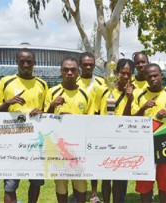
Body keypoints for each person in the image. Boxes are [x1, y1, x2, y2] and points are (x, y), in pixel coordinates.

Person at [0, 48, 48, 203]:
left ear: (34, 63)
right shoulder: (5, 82)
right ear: (16, 61)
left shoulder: (42, 84)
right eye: (22, 61)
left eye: (29, 61)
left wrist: (41, 112)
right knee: (10, 184)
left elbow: (47, 112)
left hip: (35, 141)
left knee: (36, 180)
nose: (25, 64)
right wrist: (8, 103)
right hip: (12, 140)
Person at [133, 63, 166, 203]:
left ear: (161, 75)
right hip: (144, 147)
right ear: (145, 78)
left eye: (155, 75)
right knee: (145, 185)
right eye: (149, 77)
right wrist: (143, 108)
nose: (153, 79)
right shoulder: (140, 95)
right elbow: (131, 121)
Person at [45, 57, 90, 203]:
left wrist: (72, 119)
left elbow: (92, 121)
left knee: (81, 184)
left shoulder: (86, 94)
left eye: (73, 70)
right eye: (66, 70)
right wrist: (52, 106)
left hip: (80, 146)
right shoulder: (52, 92)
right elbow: (44, 121)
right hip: (58, 146)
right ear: (61, 72)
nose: (69, 73)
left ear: (78, 72)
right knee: (61, 184)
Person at [94, 58, 138, 203]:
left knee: (119, 177)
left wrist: (129, 98)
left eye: (128, 74)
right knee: (106, 176)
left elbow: (129, 119)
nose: (125, 76)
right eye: (122, 72)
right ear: (116, 72)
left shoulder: (134, 93)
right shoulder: (103, 89)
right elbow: (95, 112)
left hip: (123, 140)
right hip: (104, 138)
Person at [77, 51, 105, 203]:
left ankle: (94, 193)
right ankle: (78, 191)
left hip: (95, 127)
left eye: (91, 64)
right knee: (78, 160)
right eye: (85, 64)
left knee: (94, 162)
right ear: (80, 65)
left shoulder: (101, 82)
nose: (88, 67)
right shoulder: (74, 81)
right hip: (77, 128)